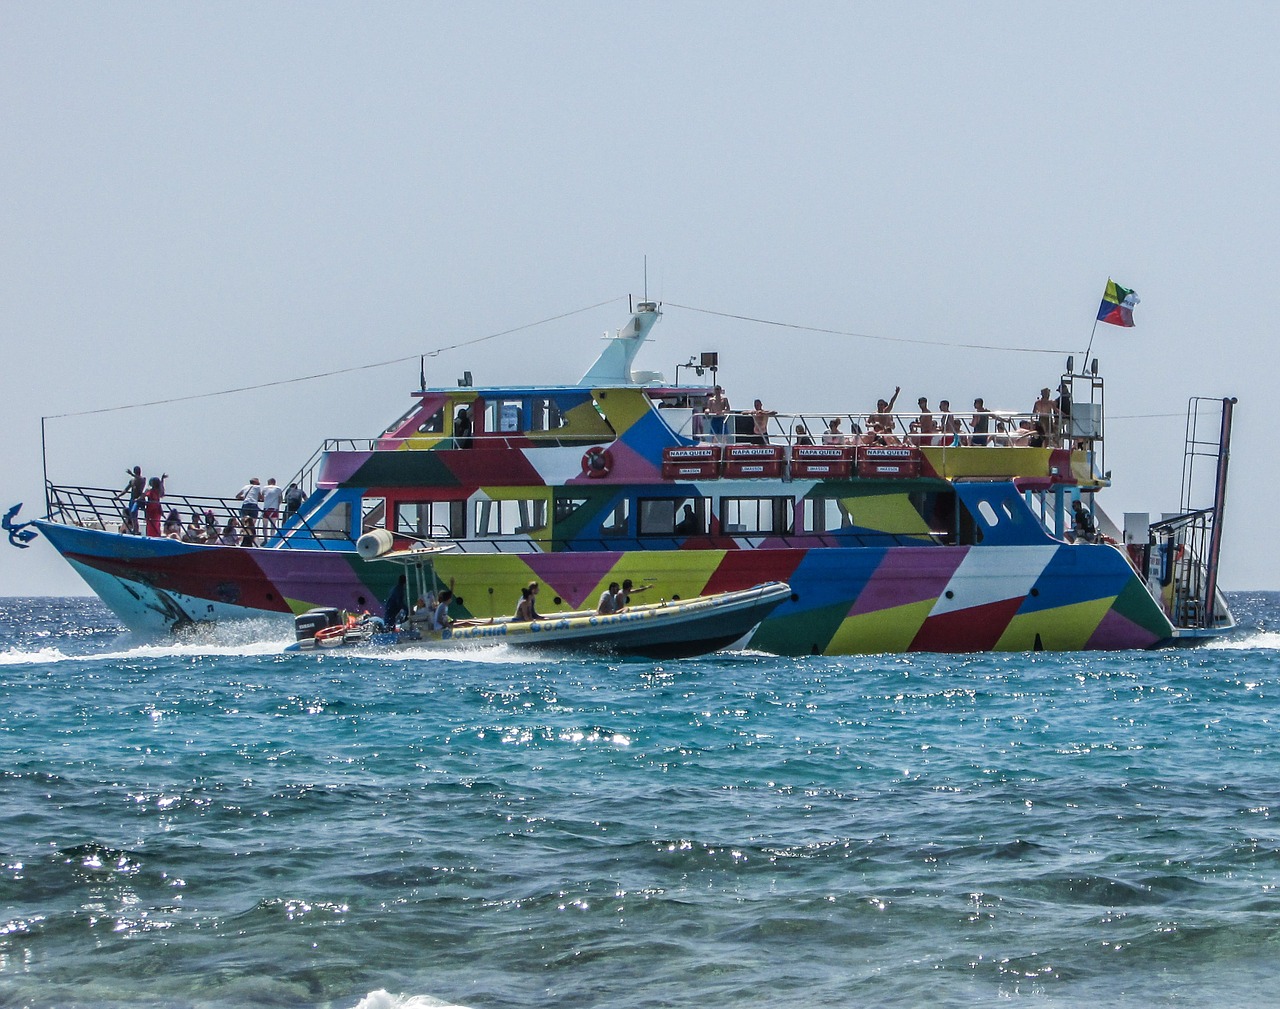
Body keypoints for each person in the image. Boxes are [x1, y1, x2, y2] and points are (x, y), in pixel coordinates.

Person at [120, 466, 145, 534]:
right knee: (132, 515)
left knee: (134, 513)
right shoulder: (132, 481)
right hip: (132, 499)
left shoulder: (142, 479)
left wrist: (131, 474)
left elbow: (139, 479)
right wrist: (118, 496)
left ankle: (136, 530)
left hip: (139, 499)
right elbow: (126, 489)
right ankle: (135, 529)